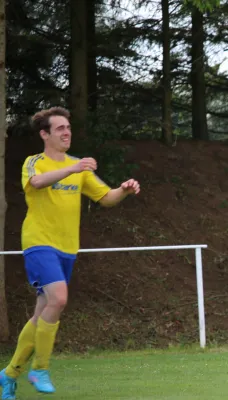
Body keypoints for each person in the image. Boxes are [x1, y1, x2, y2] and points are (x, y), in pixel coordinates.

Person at [0, 107, 140, 399]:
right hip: (39, 242)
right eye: (60, 128)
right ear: (45, 134)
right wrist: (73, 169)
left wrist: (124, 190)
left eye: (69, 128)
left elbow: (106, 198)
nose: (67, 133)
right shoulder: (34, 162)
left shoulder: (79, 167)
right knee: (60, 298)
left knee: (42, 314)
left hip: (67, 248)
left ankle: (9, 374)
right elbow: (36, 183)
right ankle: (39, 369)